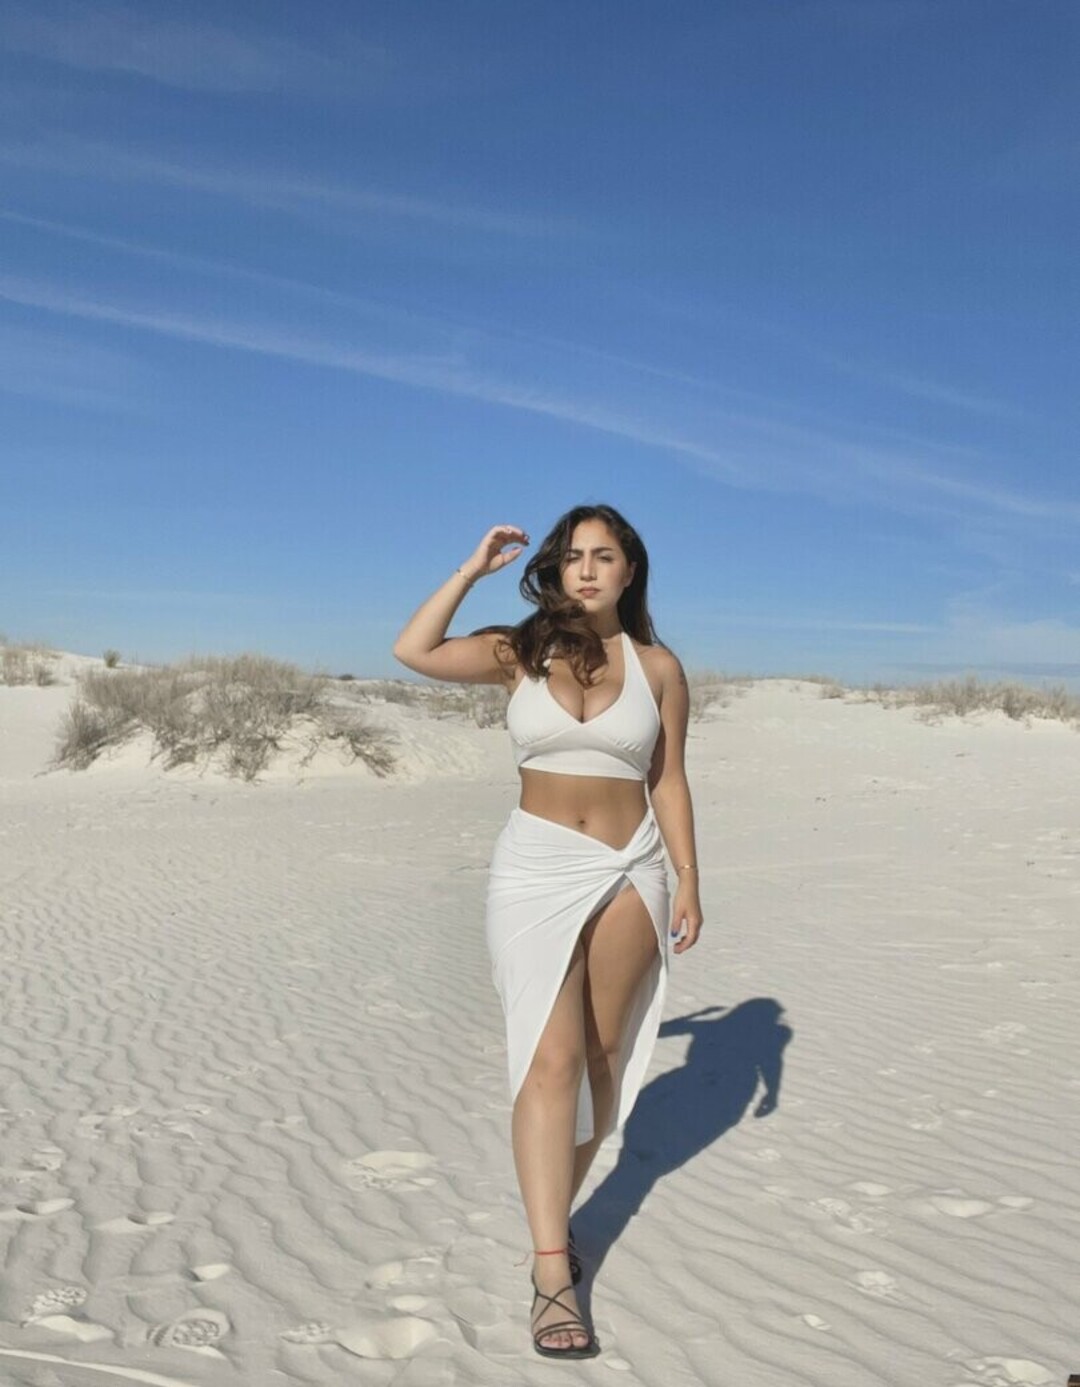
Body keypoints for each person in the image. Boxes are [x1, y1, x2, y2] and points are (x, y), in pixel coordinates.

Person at [392, 503, 703, 1359]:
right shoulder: (517, 651)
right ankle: (551, 1270)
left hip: (631, 868)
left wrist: (688, 876)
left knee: (601, 1061)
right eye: (574, 556)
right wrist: (471, 570)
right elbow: (413, 650)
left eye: (604, 556)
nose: (588, 569)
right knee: (549, 1058)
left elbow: (669, 778)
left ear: (630, 570)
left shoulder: (659, 667)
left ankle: (550, 1218)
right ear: (557, 570)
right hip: (535, 869)